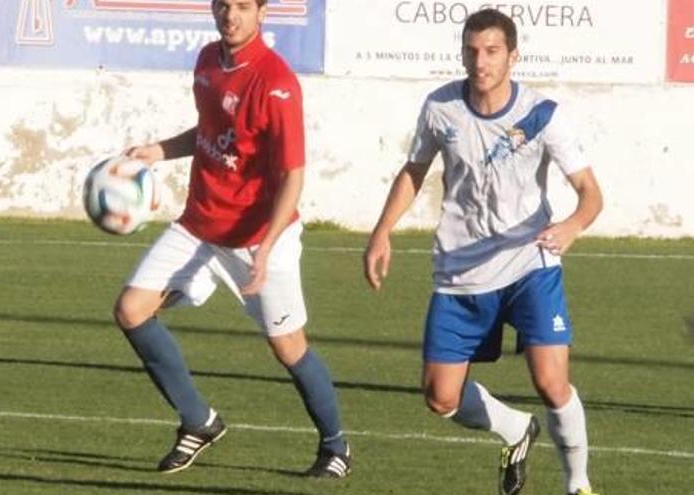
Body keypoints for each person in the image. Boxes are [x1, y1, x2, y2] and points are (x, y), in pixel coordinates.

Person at [364, 9, 601, 495]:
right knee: (440, 397)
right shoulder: (440, 108)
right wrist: (382, 231)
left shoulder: (543, 115)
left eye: (492, 51)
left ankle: (578, 485)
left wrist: (574, 226)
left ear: (513, 55)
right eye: (472, 50)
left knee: (552, 382)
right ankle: (516, 429)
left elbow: (590, 193)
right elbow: (415, 171)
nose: (480, 61)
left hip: (529, 263)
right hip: (461, 271)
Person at [113, 0, 351, 478]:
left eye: (244, 6)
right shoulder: (206, 61)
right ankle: (198, 421)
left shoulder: (276, 82)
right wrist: (160, 150)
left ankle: (336, 446)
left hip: (259, 237)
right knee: (131, 309)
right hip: (199, 225)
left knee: (288, 347)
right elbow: (212, 128)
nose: (231, 15)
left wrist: (265, 246)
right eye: (223, 5)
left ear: (263, 13)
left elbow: (292, 176)